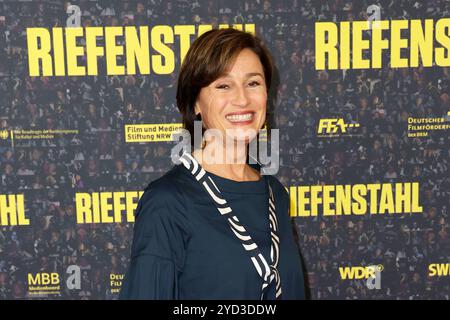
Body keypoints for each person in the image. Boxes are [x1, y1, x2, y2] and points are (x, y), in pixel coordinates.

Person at [119, 28, 305, 300]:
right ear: (195, 102)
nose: (242, 99)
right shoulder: (168, 203)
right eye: (223, 85)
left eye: (253, 83)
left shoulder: (275, 194)